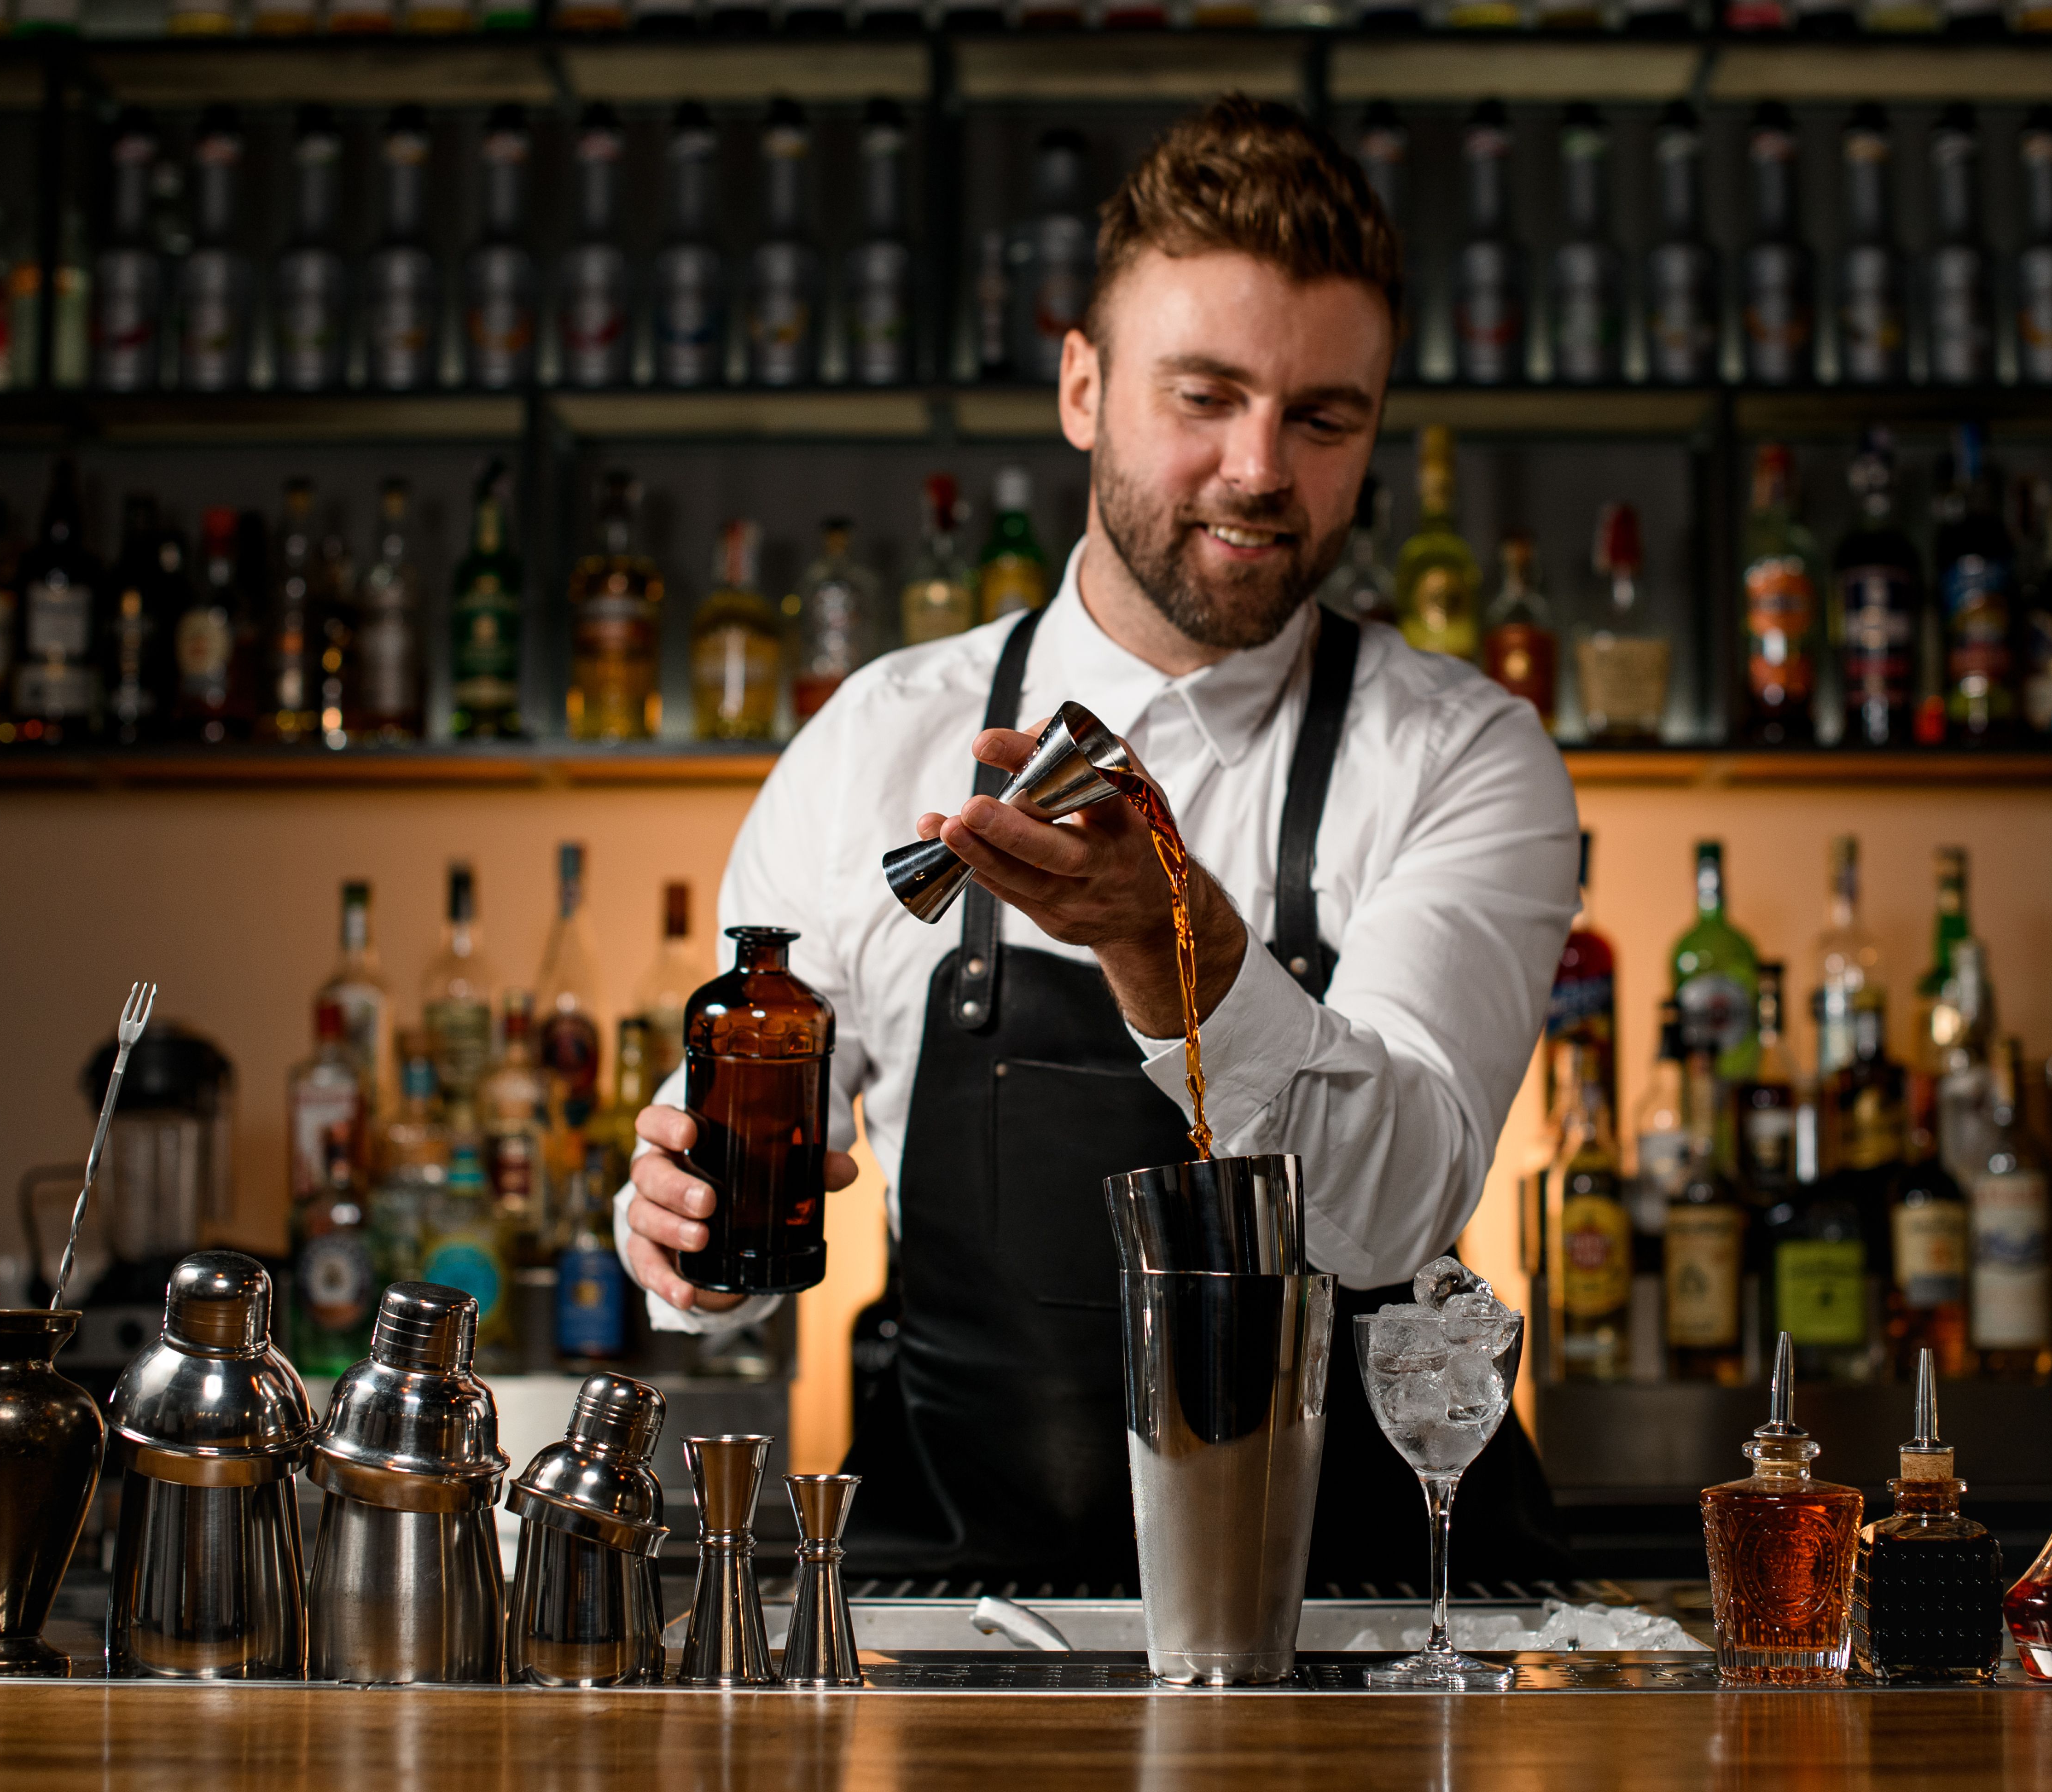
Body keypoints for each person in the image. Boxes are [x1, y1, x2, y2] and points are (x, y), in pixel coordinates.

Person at [616, 95, 1576, 1588]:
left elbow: (1395, 1213)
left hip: (1367, 1630)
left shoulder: (1461, 753)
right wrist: (679, 1229)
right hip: (964, 1622)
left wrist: (1164, 943)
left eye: (1325, 417)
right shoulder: (876, 740)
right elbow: (726, 1241)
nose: (1262, 470)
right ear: (1082, 387)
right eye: (1204, 397)